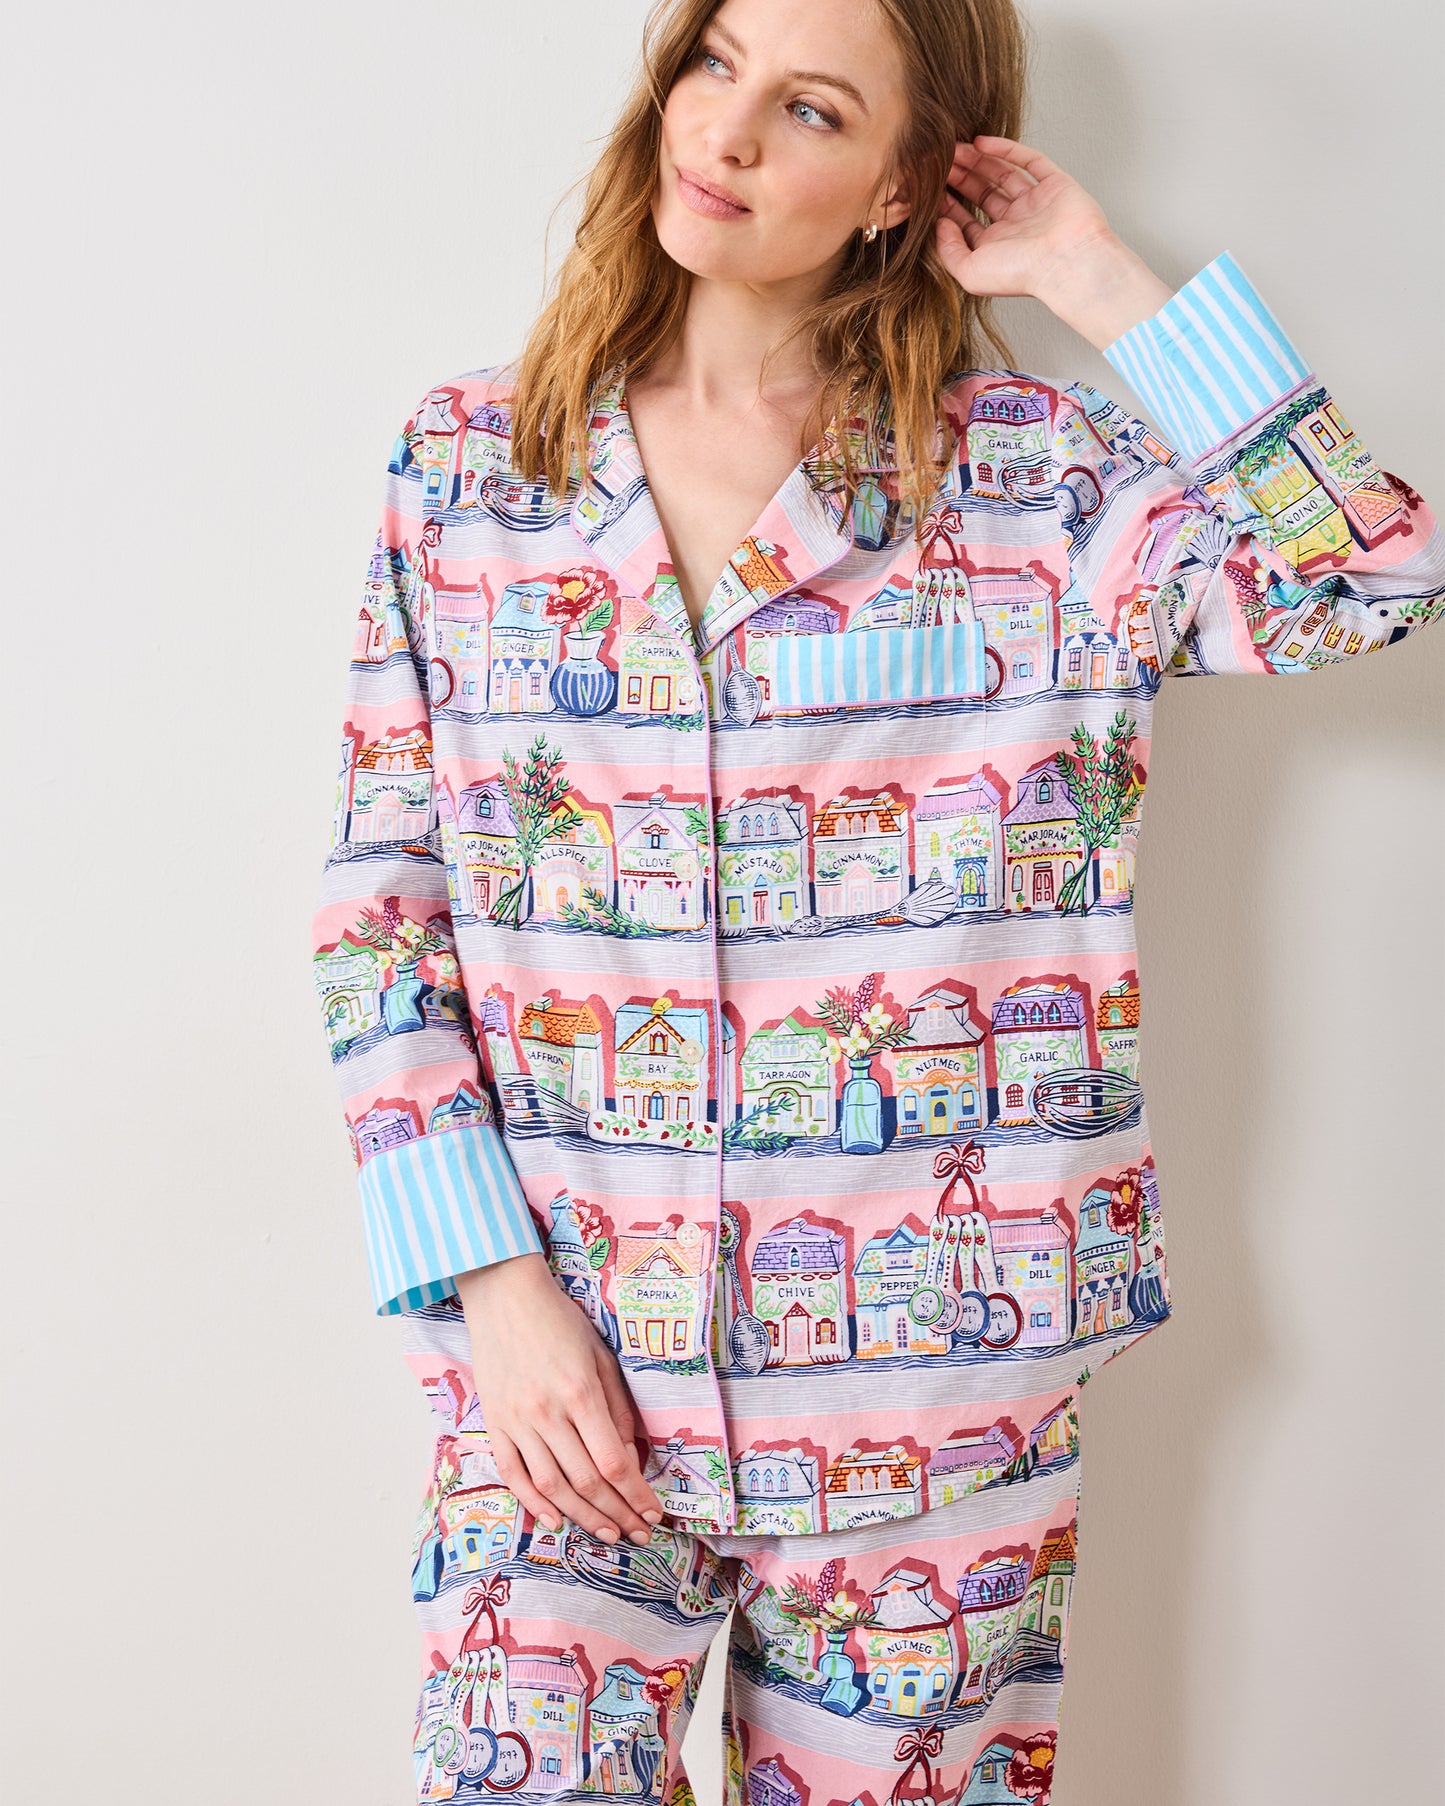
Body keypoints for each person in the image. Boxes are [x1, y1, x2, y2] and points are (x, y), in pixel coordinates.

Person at [310, 1, 1445, 1800]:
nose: (727, 131)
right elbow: (385, 905)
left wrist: (1087, 271)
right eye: (714, 62)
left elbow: (1374, 579)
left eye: (812, 109)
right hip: (563, 1387)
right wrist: (494, 1289)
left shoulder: (1045, 488)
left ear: (905, 185)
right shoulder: (469, 468)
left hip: (935, 1404)